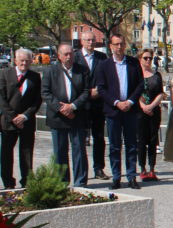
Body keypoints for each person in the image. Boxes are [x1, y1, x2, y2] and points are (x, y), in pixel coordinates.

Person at [93, 34, 144, 189]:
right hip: (113, 111)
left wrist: (129, 101)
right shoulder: (104, 65)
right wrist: (116, 102)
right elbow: (101, 88)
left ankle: (131, 176)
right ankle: (116, 177)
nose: (119, 47)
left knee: (131, 145)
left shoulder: (134, 63)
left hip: (130, 109)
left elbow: (140, 85)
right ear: (111, 46)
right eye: (116, 44)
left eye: (121, 44)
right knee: (114, 145)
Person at [42, 43, 91, 186]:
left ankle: (80, 182)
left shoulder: (82, 70)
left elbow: (86, 91)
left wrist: (73, 106)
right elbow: (45, 92)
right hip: (57, 118)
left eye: (71, 54)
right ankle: (62, 183)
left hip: (77, 116)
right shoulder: (50, 71)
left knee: (79, 151)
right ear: (59, 56)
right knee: (60, 152)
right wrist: (62, 108)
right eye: (65, 54)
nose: (69, 57)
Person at [1, 49, 41, 189]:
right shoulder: (5, 74)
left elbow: (37, 100)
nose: (24, 63)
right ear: (15, 60)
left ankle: (26, 182)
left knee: (26, 153)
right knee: (6, 154)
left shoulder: (35, 77)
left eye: (27, 60)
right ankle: (8, 183)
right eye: (21, 60)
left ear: (31, 61)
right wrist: (13, 117)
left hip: (27, 122)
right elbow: (1, 99)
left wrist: (25, 116)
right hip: (8, 122)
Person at [74, 32, 108, 180]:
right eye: (88, 40)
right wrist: (87, 93)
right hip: (80, 104)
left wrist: (99, 90)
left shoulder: (102, 58)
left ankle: (99, 168)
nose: (90, 43)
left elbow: (107, 78)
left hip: (97, 104)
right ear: (82, 41)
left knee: (99, 137)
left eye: (93, 40)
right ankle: (82, 170)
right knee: (80, 138)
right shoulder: (75, 58)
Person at [136, 49, 165, 182]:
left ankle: (152, 168)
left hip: (154, 111)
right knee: (141, 140)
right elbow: (134, 92)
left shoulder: (156, 75)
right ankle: (142, 169)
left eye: (150, 58)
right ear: (140, 59)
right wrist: (143, 106)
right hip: (139, 112)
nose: (148, 60)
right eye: (145, 58)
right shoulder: (136, 74)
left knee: (153, 140)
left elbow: (160, 93)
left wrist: (151, 106)